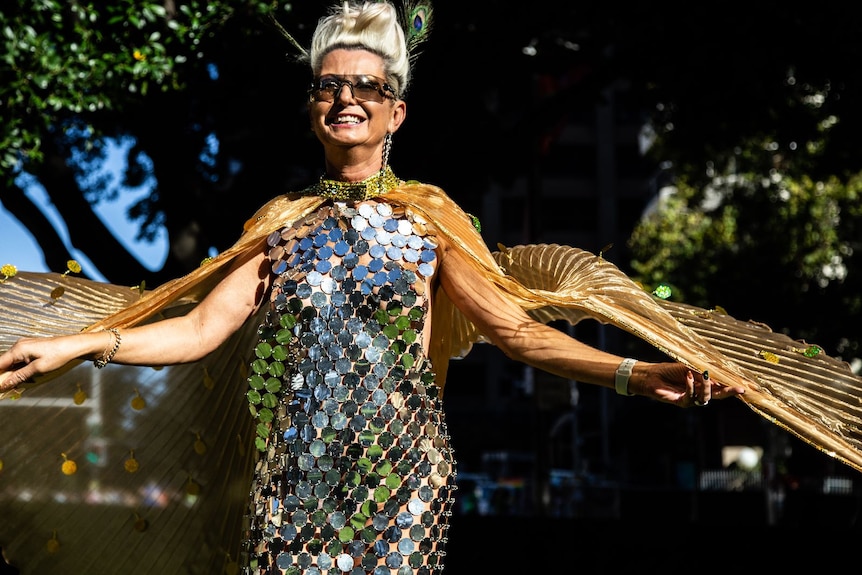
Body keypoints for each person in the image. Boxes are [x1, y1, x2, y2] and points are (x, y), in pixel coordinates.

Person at [1, 2, 860, 574]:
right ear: (313, 108)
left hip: (396, 480)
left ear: (395, 109)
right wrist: (80, 344)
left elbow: (516, 332)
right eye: (328, 85)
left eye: (364, 86)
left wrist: (636, 375)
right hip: (290, 479)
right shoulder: (281, 220)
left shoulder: (431, 221)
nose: (345, 98)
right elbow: (196, 331)